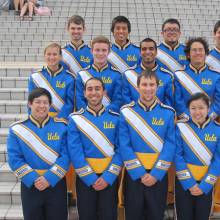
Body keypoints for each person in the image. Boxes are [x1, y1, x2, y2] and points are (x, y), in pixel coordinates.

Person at [119, 70, 176, 220]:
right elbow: (124, 145)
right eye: (144, 84)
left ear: (157, 87)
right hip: (134, 175)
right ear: (137, 88)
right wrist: (140, 173)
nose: (148, 88)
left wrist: (156, 174)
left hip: (158, 175)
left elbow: (170, 145)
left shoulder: (168, 113)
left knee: (156, 215)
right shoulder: (126, 112)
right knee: (133, 214)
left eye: (152, 85)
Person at [7, 88, 70, 220]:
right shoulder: (17, 129)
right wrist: (34, 179)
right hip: (30, 184)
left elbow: (66, 155)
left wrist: (49, 178)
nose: (42, 106)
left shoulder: (62, 126)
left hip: (55, 183)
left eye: (45, 102)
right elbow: (14, 159)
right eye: (38, 102)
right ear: (30, 104)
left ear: (49, 105)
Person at [68, 77, 122, 220]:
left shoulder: (116, 118)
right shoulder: (75, 119)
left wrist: (108, 176)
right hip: (85, 178)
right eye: (89, 89)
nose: (94, 92)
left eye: (97, 88)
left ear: (104, 92)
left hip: (109, 178)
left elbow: (120, 150)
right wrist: (90, 177)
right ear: (84, 93)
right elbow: (75, 152)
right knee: (87, 215)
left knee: (109, 215)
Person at [175, 92, 220, 220]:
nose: (197, 112)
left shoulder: (217, 129)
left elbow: (218, 160)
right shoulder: (180, 127)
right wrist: (189, 183)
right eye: (193, 108)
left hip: (206, 184)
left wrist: (205, 185)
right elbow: (177, 156)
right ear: (188, 110)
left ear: (208, 109)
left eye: (201, 108)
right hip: (184, 183)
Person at [174, 37, 220, 120]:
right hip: (187, 122)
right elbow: (178, 101)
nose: (198, 52)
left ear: (206, 53)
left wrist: (208, 116)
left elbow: (218, 101)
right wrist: (188, 117)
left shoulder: (216, 75)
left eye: (200, 50)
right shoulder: (179, 75)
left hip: (209, 121)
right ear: (188, 54)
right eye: (194, 50)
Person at [28, 42, 75, 120]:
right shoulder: (35, 77)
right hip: (39, 119)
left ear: (60, 57)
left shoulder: (69, 77)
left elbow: (70, 103)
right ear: (44, 56)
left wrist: (60, 118)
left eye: (55, 54)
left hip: (61, 121)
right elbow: (31, 101)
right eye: (49, 54)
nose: (51, 57)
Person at [76, 36, 122, 112]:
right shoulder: (82, 74)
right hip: (87, 118)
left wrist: (103, 113)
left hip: (109, 118)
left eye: (104, 50)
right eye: (97, 50)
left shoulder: (116, 75)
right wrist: (89, 113)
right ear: (91, 51)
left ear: (109, 52)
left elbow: (118, 100)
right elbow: (79, 99)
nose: (100, 53)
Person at [123, 37, 174, 107]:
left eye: (151, 49)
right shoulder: (128, 74)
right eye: (144, 49)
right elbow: (126, 100)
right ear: (140, 53)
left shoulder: (167, 76)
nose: (147, 52)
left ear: (156, 52)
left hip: (159, 117)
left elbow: (169, 102)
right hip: (135, 116)